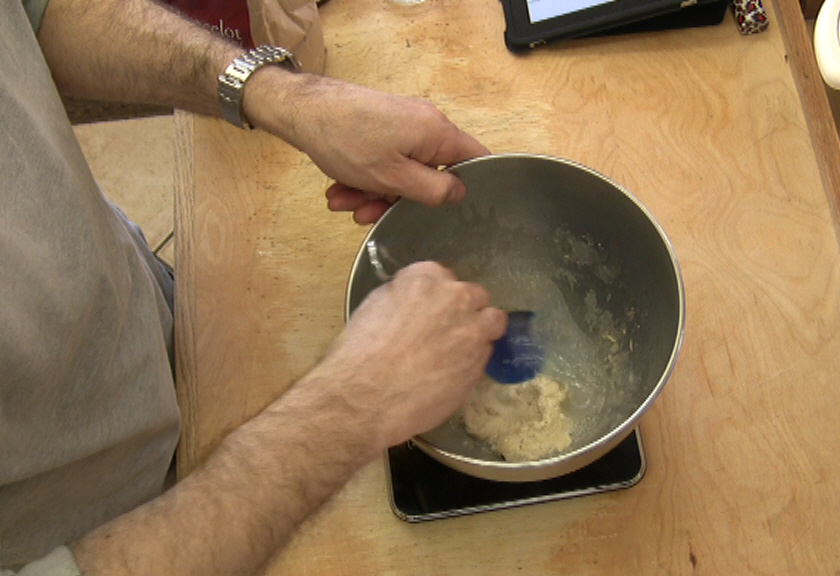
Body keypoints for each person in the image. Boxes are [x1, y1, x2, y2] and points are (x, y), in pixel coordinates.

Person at [0, 0, 508, 574]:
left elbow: (34, 13)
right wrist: (356, 401)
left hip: (153, 329)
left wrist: (283, 96)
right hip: (122, 529)